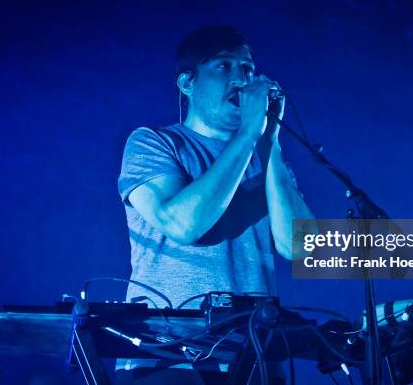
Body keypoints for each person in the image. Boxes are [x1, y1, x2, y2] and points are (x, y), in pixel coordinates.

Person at [116, 25, 313, 384]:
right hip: (168, 352)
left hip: (253, 351)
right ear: (187, 83)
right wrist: (249, 134)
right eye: (224, 66)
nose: (241, 77)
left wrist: (270, 142)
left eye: (248, 68)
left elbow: (299, 247)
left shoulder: (263, 156)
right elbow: (182, 225)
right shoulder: (153, 142)